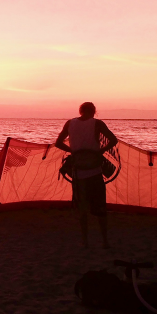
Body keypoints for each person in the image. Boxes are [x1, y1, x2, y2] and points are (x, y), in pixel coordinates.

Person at [55, 102, 119, 249]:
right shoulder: (97, 123)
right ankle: (105, 241)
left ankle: (85, 241)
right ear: (94, 111)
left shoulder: (69, 123)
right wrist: (100, 151)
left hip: (78, 173)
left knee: (82, 210)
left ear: (80, 111)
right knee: (100, 208)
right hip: (95, 172)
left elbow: (58, 143)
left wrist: (73, 151)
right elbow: (113, 140)